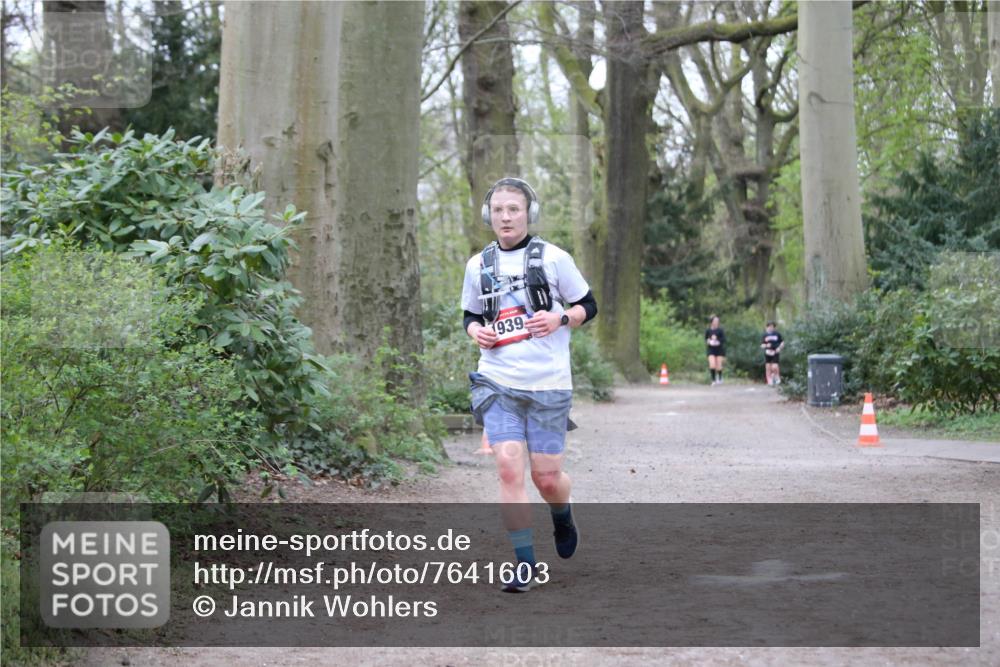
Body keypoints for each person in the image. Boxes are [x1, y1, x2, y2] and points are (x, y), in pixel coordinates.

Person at [461, 177, 598, 593]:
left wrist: (560, 318)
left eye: (514, 209)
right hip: (497, 380)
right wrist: (475, 334)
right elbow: (469, 315)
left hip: (549, 384)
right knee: (507, 466)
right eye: (498, 209)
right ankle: (525, 565)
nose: (506, 216)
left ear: (528, 214)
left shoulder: (555, 259)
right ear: (489, 215)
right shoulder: (477, 265)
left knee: (547, 477)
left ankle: (562, 513)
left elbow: (588, 305)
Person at [761, 321, 785, 385]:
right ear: (767, 327)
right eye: (769, 326)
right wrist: (766, 345)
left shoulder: (777, 334)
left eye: (772, 326)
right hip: (768, 352)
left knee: (775, 366)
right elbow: (762, 345)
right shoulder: (764, 335)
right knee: (768, 367)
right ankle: (769, 380)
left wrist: (779, 348)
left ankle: (776, 377)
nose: (770, 328)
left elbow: (782, 343)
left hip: (775, 351)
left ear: (774, 327)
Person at [705, 315, 726, 385]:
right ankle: (713, 380)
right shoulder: (708, 330)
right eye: (715, 321)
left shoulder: (720, 330)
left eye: (717, 321)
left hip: (719, 349)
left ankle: (720, 377)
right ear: (711, 322)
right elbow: (706, 339)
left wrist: (717, 340)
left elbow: (723, 339)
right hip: (711, 349)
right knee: (712, 364)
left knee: (719, 365)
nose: (716, 322)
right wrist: (709, 341)